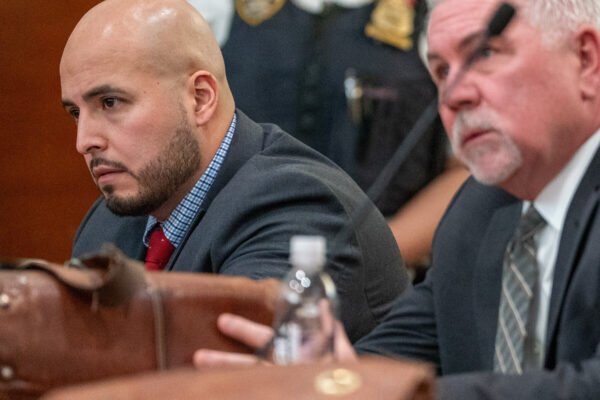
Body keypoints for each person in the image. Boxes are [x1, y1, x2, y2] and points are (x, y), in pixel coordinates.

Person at [194, 0, 600, 398]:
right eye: (441, 72)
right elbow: (376, 366)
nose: (452, 95)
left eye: (486, 54)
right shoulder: (477, 213)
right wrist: (308, 381)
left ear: (586, 59)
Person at [61, 0, 409, 343]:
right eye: (76, 113)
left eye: (110, 103)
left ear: (199, 98)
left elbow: (215, 364)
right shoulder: (106, 224)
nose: (84, 142)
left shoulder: (296, 206)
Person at [189, 0, 470, 273]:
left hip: (380, 273)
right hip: (233, 253)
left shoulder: (441, 17)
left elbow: (465, 170)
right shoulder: (212, 10)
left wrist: (374, 256)